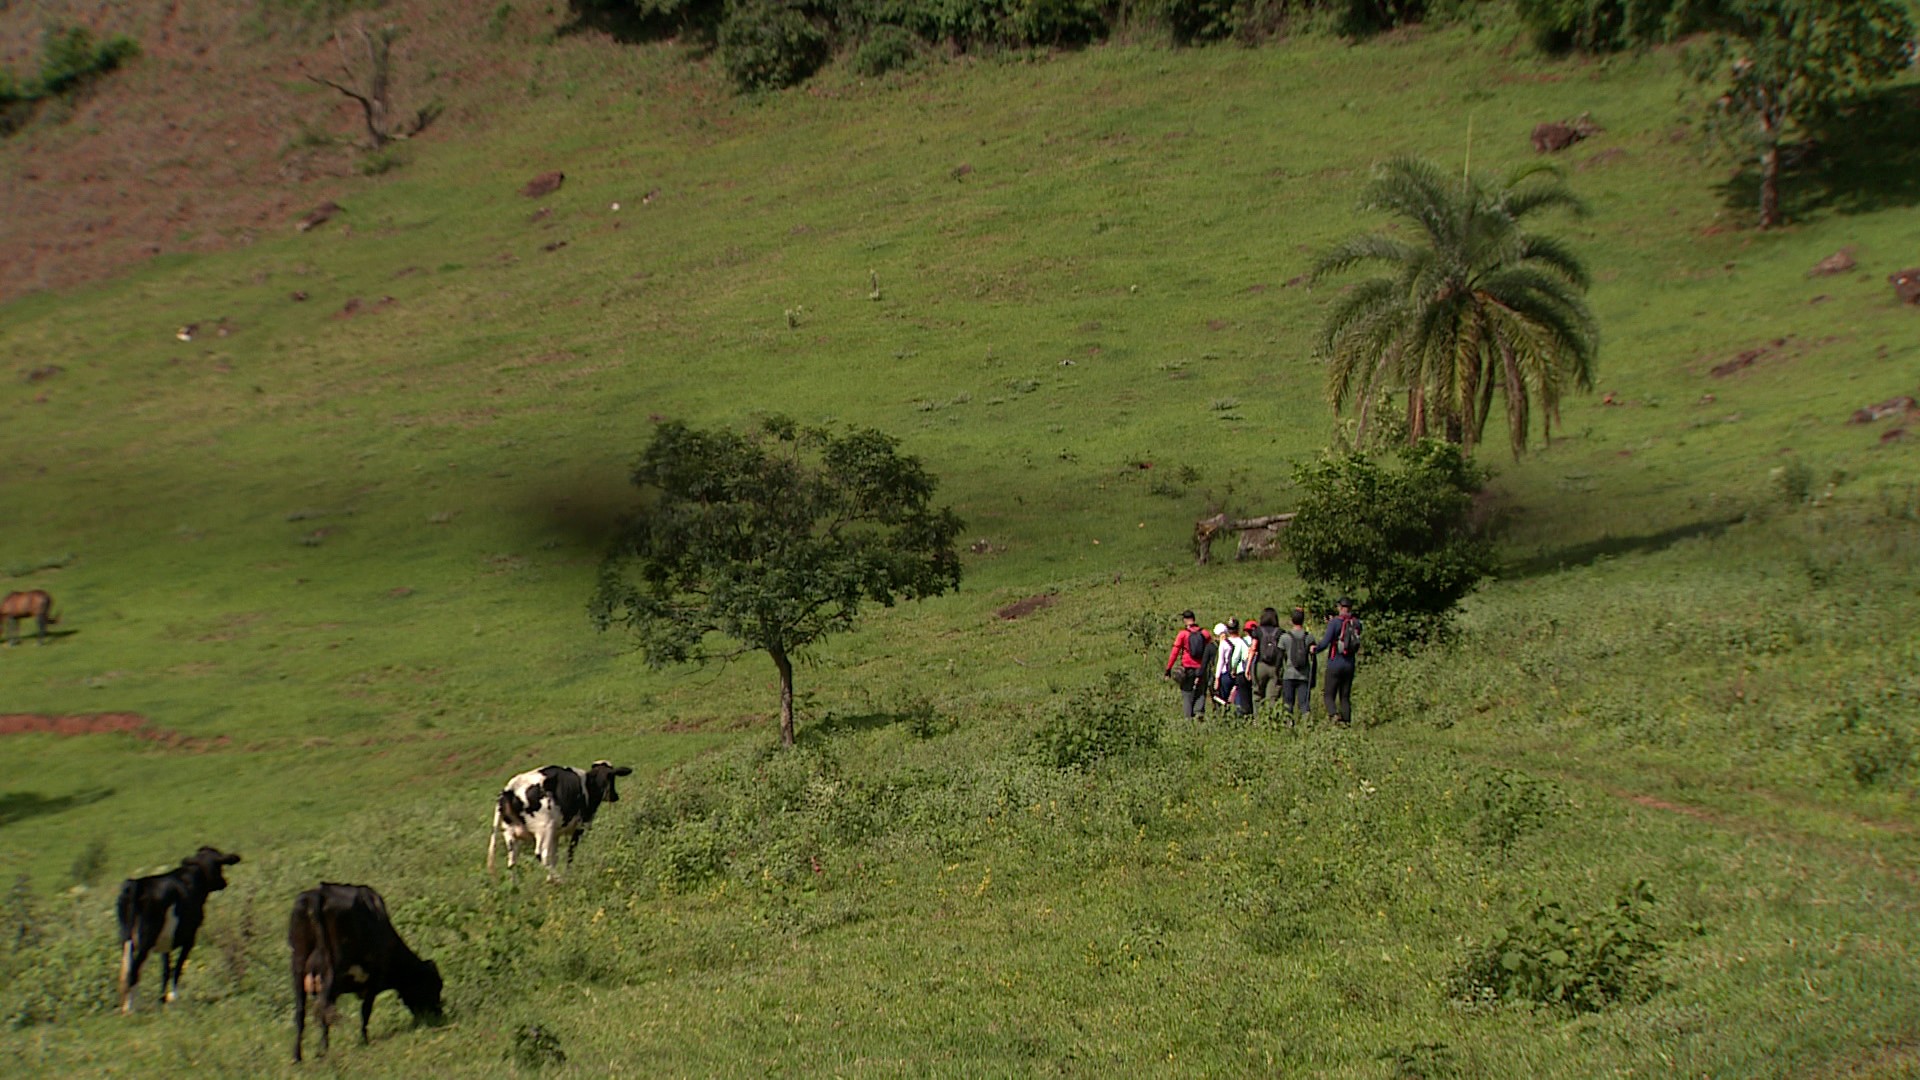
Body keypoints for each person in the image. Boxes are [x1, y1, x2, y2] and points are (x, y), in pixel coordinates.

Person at [1311, 597, 1361, 725]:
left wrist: (1315, 649)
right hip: (1350, 663)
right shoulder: (1356, 623)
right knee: (1345, 696)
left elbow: (1326, 642)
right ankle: (1347, 723)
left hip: (1335, 663)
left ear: (1340, 607)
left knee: (1328, 694)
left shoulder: (1335, 623)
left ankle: (1334, 715)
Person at [1162, 610, 1209, 718]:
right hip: (1201, 668)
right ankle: (1199, 714)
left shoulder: (1183, 634)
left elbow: (1175, 652)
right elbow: (1210, 649)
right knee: (1200, 692)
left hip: (1187, 668)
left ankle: (1188, 719)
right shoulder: (1204, 633)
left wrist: (1168, 669)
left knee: (1187, 694)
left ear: (1185, 620)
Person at [1280, 607, 1314, 722]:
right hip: (1304, 675)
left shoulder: (1285, 637)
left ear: (1291, 620)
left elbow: (1280, 657)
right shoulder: (1309, 637)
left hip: (1288, 674)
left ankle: (1288, 724)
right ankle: (1307, 724)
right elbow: (1313, 657)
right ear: (1303, 620)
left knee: (1288, 703)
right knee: (1304, 703)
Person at [1250, 608, 1284, 710]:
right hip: (1275, 667)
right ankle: (1270, 719)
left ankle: (1257, 720)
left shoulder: (1258, 631)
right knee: (1272, 697)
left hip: (1260, 665)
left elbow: (1253, 648)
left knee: (1257, 694)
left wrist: (1248, 667)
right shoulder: (1280, 632)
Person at [1234, 619, 1259, 716]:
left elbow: (1235, 658)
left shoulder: (1241, 641)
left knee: (1244, 697)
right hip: (1255, 672)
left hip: (1242, 671)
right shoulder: (1258, 642)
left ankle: (1245, 715)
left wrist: (1233, 669)